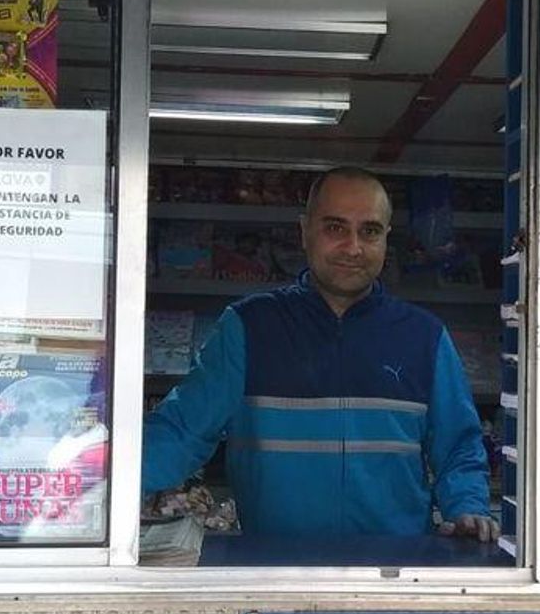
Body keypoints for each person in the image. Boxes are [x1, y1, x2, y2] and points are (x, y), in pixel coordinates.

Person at [141, 166, 498, 541]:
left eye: (370, 231)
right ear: (304, 230)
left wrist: (467, 508)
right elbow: (182, 429)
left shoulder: (424, 337)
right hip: (277, 570)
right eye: (335, 228)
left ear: (386, 238)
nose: (353, 247)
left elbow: (459, 445)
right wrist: (105, 485)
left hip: (395, 573)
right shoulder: (248, 327)